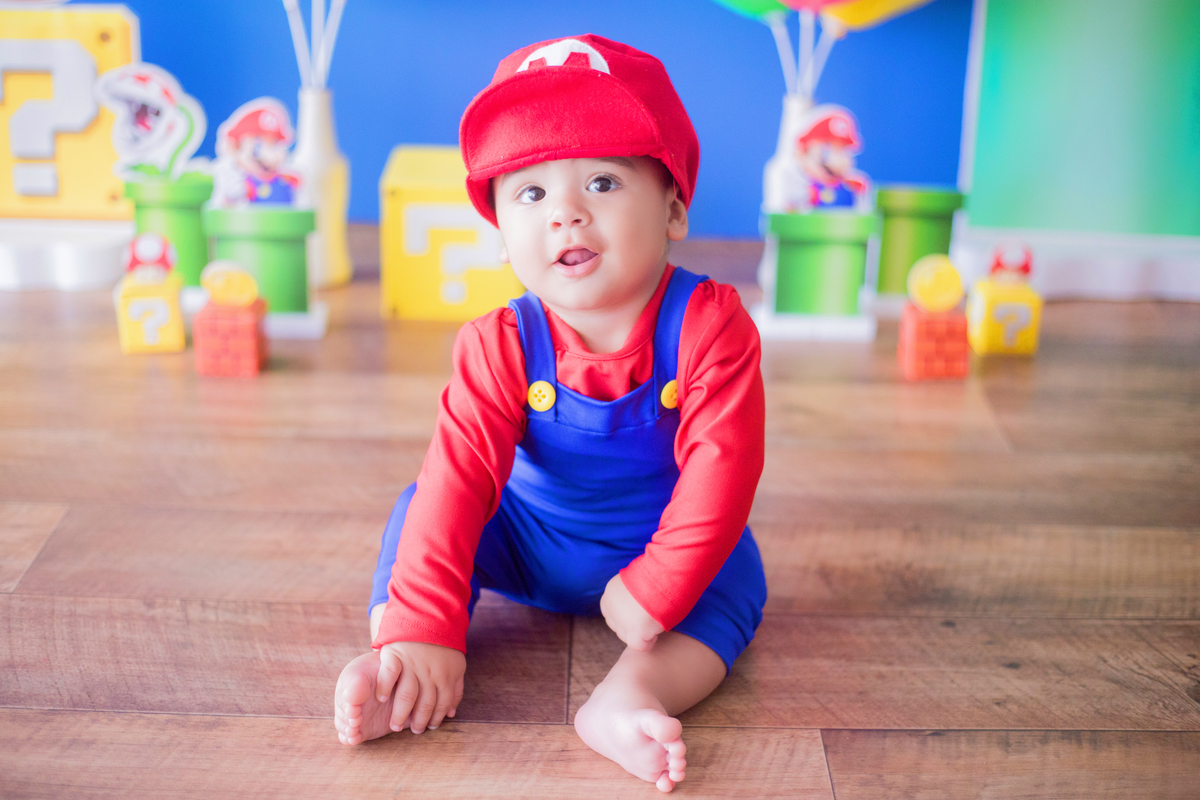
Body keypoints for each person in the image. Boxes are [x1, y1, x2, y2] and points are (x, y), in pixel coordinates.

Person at [333, 34, 766, 793]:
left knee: (733, 578)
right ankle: (403, 664)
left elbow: (723, 468)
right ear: (503, 237)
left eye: (602, 181)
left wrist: (662, 584)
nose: (565, 212)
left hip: (665, 547)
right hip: (525, 542)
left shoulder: (710, 326)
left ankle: (633, 697)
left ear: (673, 207)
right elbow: (459, 480)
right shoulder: (500, 343)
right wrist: (425, 622)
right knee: (420, 512)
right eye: (531, 194)